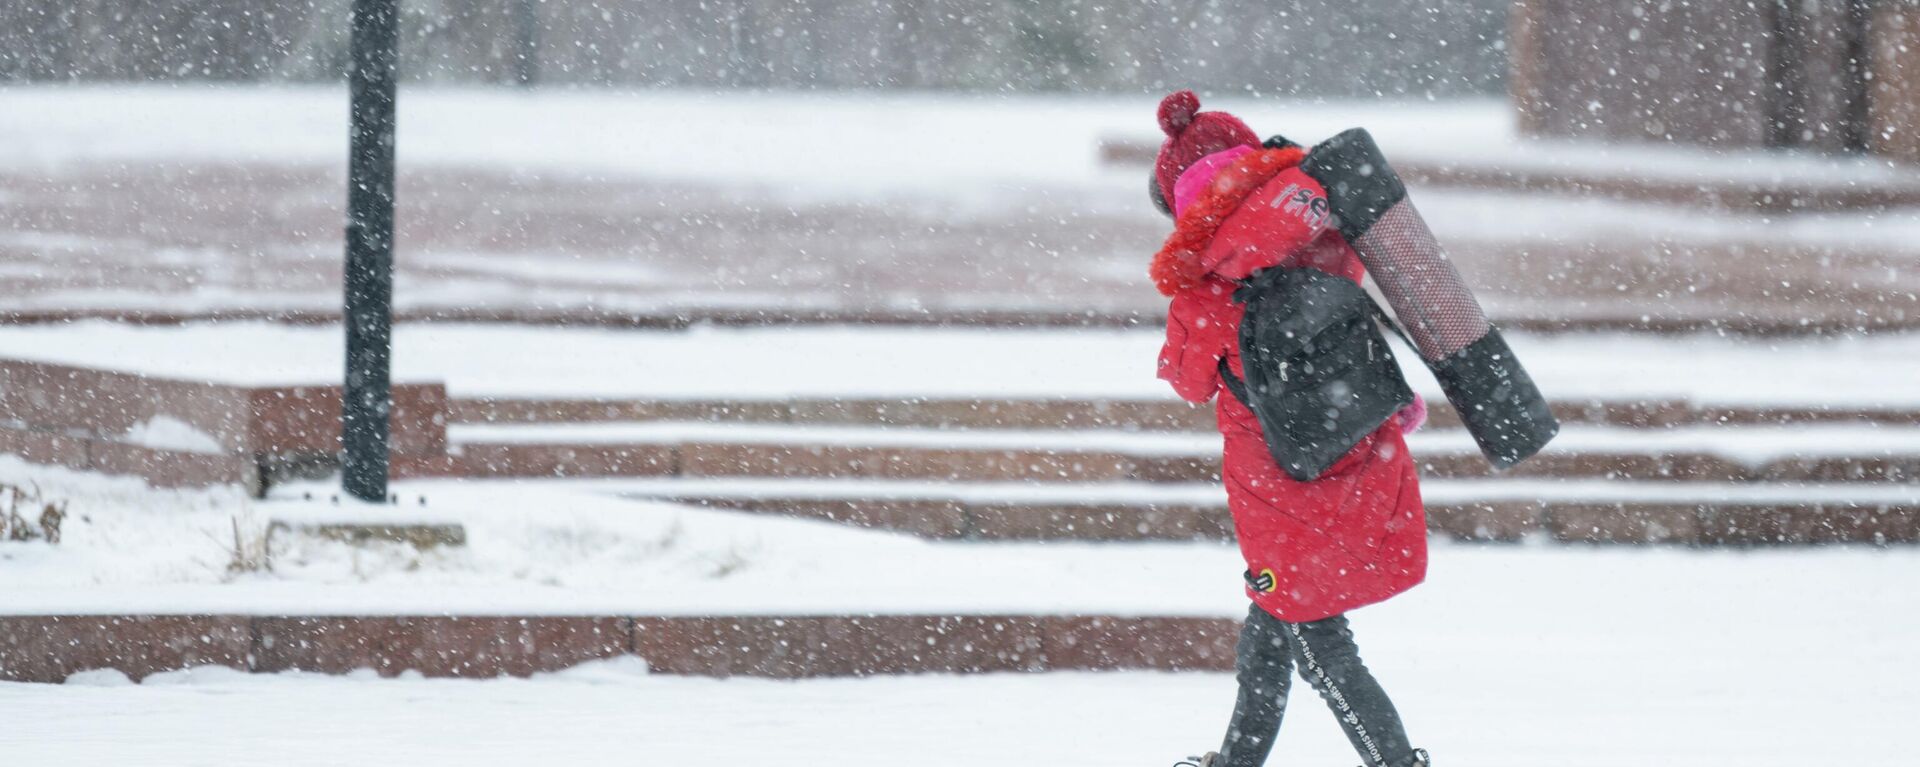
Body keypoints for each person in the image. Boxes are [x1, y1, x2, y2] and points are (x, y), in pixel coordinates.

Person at [1148, 89, 1433, 767]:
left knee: (1323, 649)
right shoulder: (1320, 227)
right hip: (1357, 448)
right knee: (1269, 635)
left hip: (1281, 484)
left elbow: (1188, 380)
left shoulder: (1202, 281)